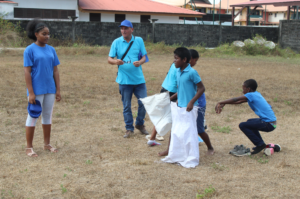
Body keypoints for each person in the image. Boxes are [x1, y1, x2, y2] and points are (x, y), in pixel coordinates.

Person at [158, 49, 214, 156]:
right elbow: (181, 90)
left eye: (176, 58)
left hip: (195, 106)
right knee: (175, 128)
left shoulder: (192, 73)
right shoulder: (178, 72)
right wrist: (170, 99)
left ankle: (209, 147)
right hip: (181, 106)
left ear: (184, 60)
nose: (174, 61)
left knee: (198, 130)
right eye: (174, 58)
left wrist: (191, 102)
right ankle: (170, 150)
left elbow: (201, 88)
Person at [24, 19, 61, 157]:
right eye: (44, 34)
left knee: (47, 116)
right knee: (33, 116)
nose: (47, 36)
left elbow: (55, 71)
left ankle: (47, 144)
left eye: (48, 34)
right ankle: (29, 147)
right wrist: (31, 92)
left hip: (50, 89)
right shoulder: (29, 50)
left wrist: (57, 90)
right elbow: (27, 71)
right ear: (36, 34)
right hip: (36, 89)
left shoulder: (51, 50)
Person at [108, 20, 149, 138]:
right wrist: (116, 61)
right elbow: (109, 59)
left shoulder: (139, 40)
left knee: (144, 103)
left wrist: (140, 62)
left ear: (132, 29)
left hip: (139, 80)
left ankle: (140, 124)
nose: (123, 31)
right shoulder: (116, 42)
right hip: (124, 80)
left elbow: (144, 57)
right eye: (122, 28)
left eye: (126, 28)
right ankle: (129, 128)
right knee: (127, 106)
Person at [215, 79, 277, 155]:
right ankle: (260, 143)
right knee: (249, 122)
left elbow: (236, 99)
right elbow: (239, 102)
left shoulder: (251, 95)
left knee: (242, 125)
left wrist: (220, 102)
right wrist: (225, 103)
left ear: (248, 89)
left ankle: (260, 144)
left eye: (243, 89)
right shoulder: (256, 94)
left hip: (269, 124)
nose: (242, 91)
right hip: (272, 123)